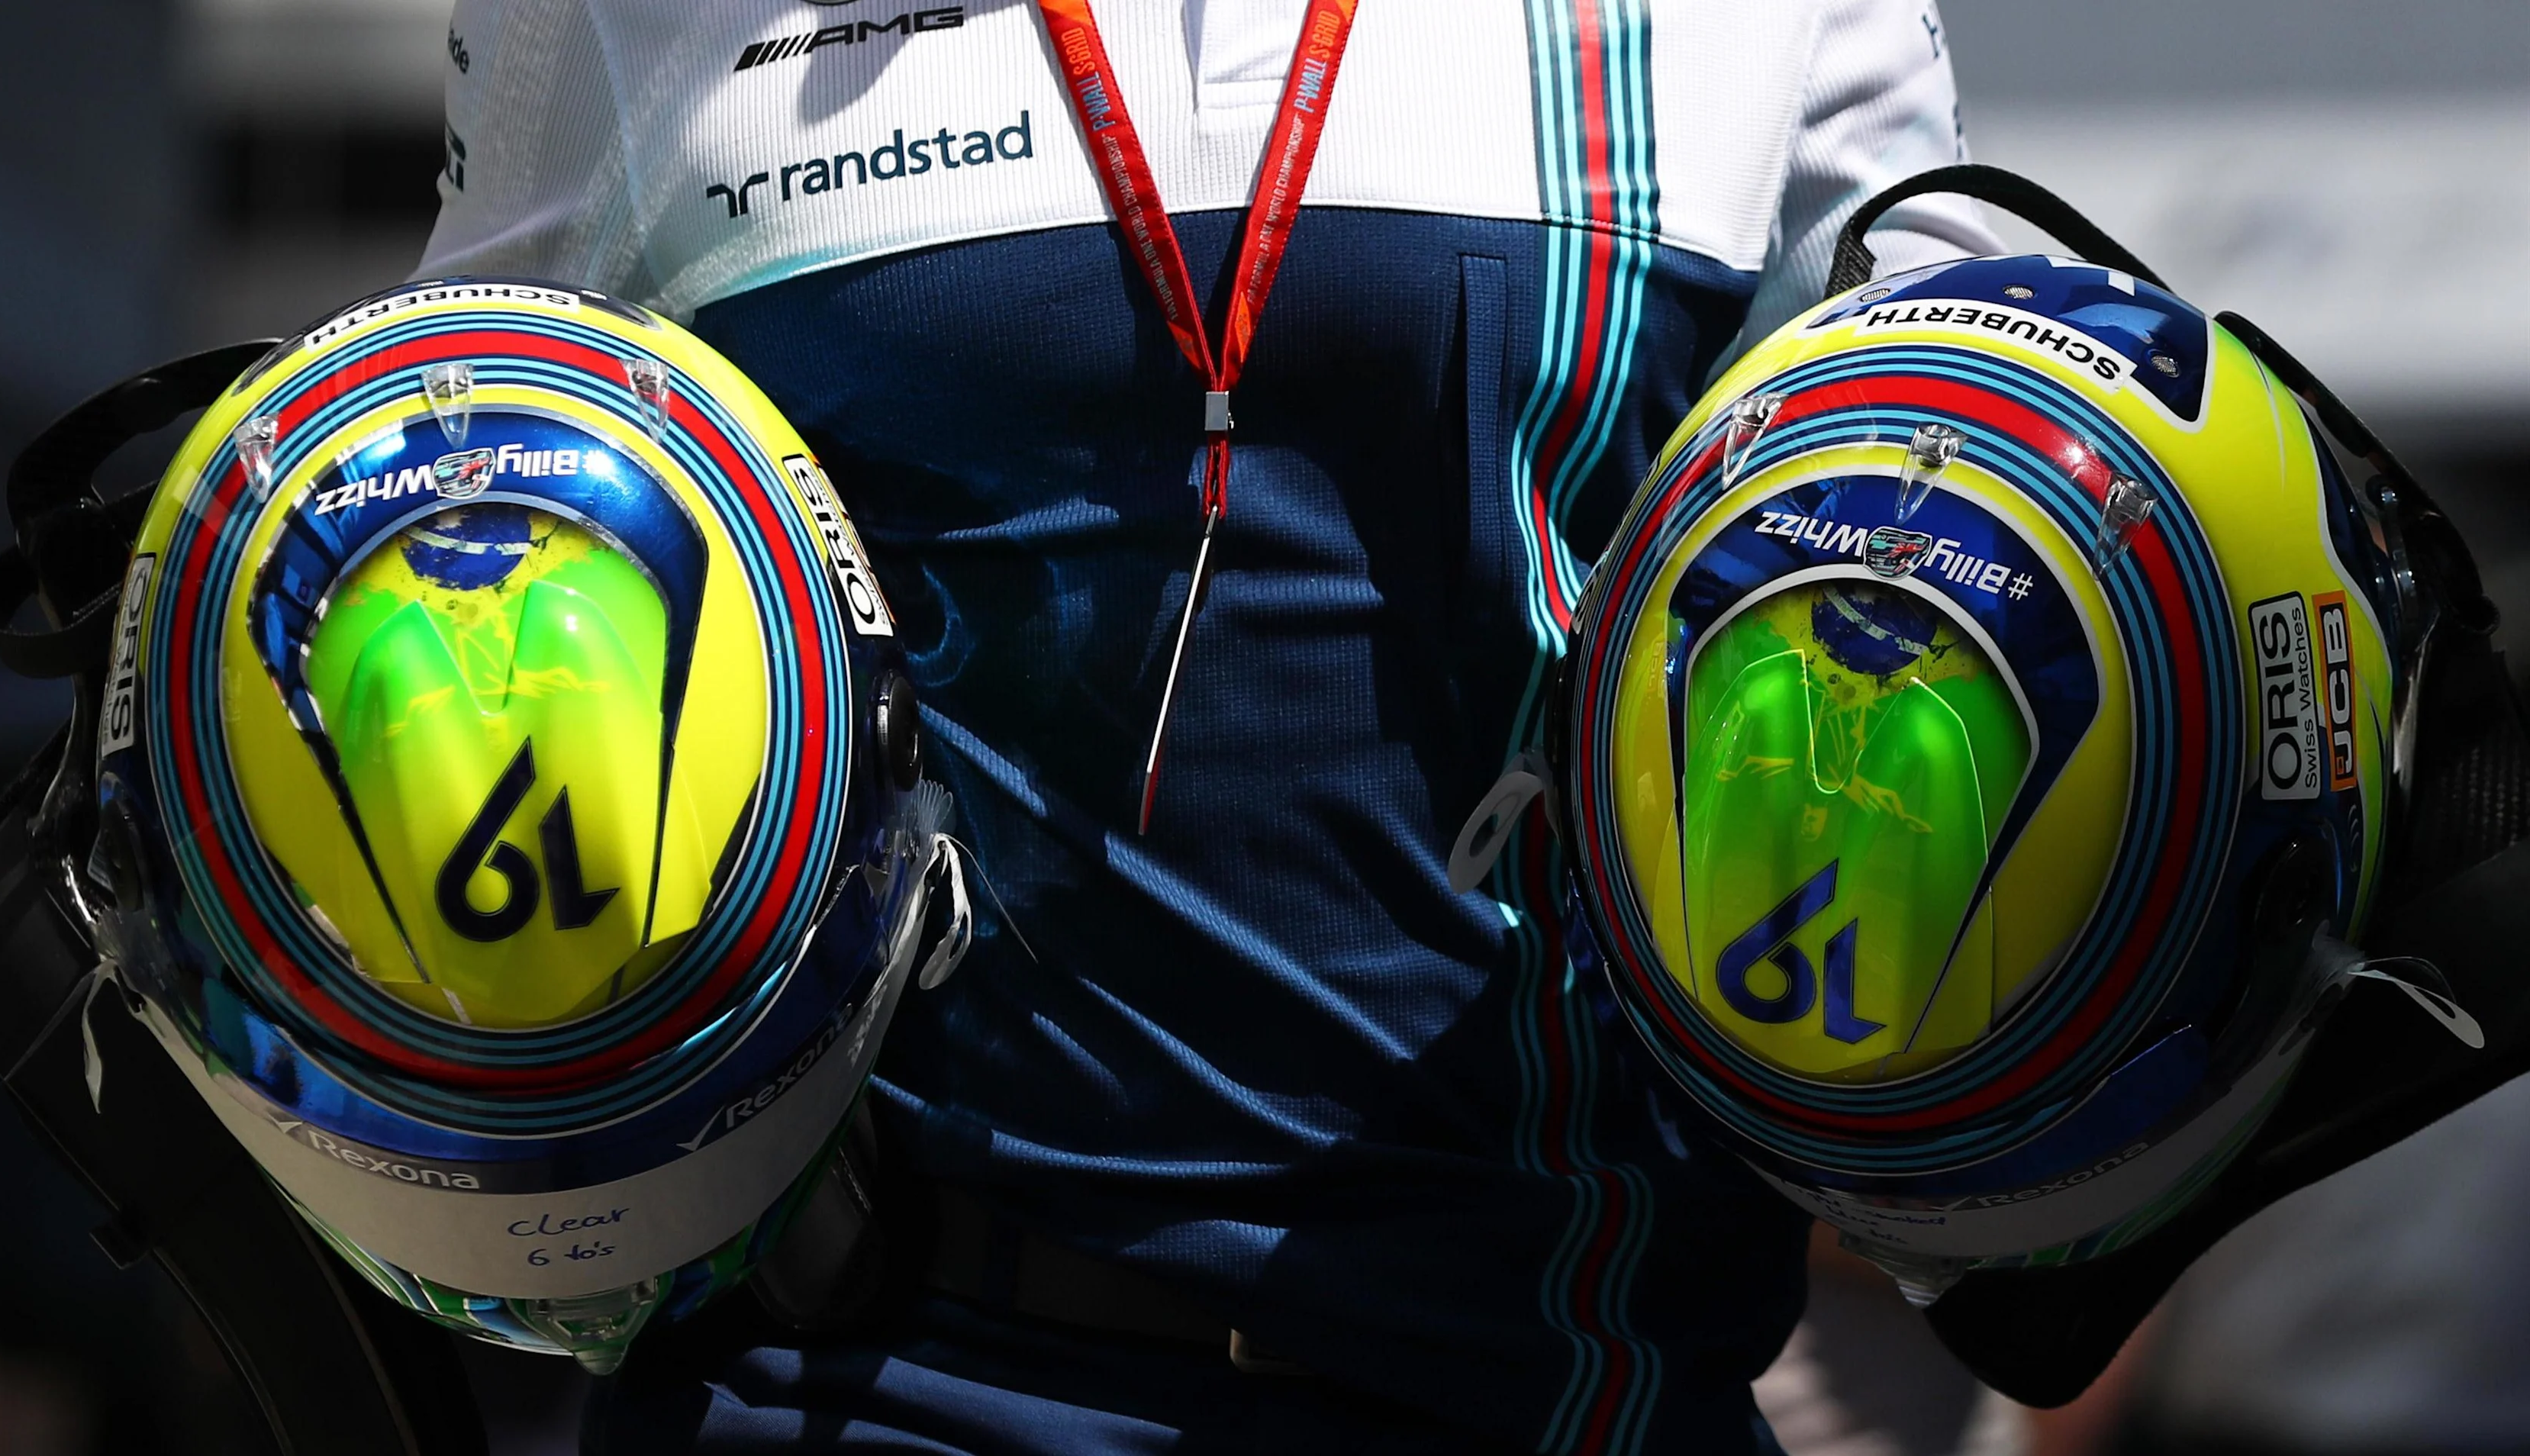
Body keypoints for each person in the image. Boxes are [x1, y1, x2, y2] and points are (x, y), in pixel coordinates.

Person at [419, 2, 1998, 1450]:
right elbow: (421, 510)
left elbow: (1989, 516)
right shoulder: (624, 21)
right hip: (850, 1377)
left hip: (1558, 1371)